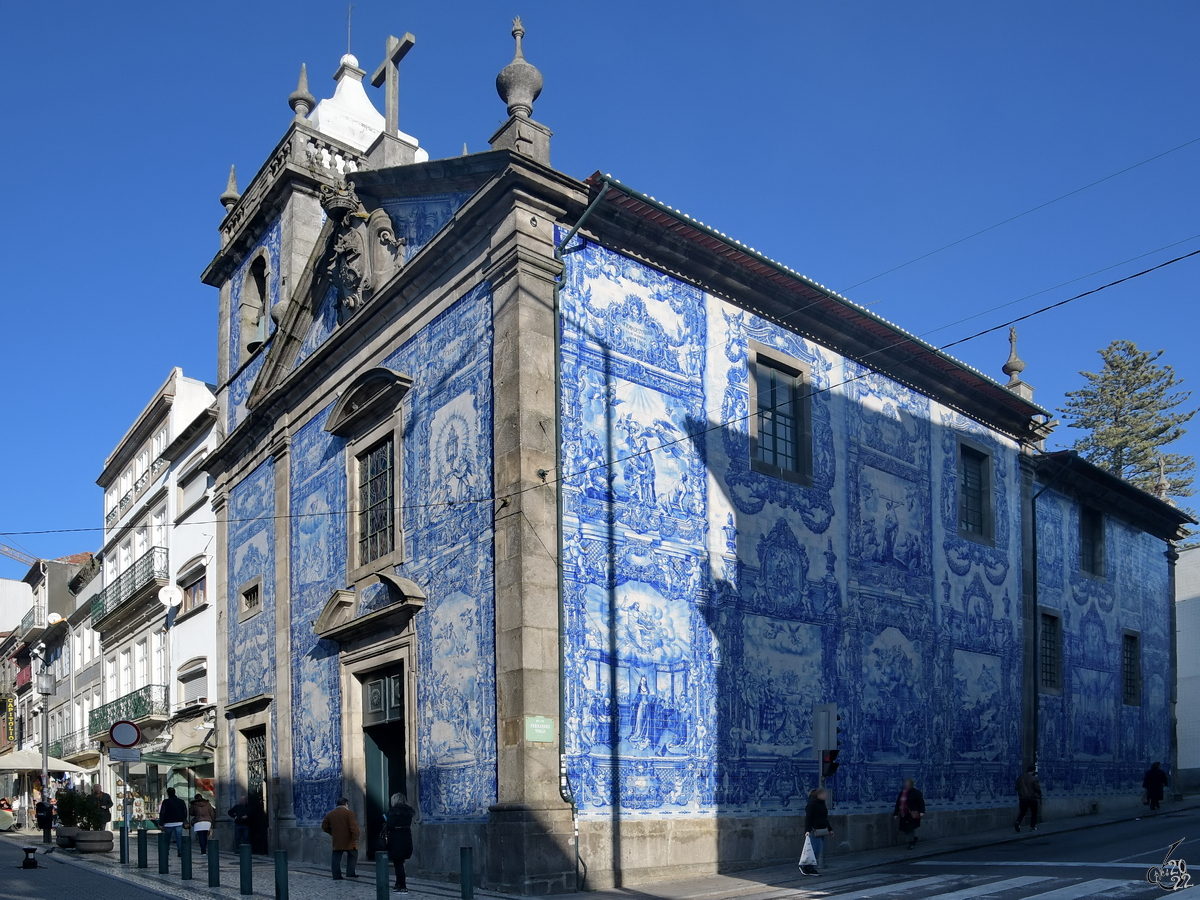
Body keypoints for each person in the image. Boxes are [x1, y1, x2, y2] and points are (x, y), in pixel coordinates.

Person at [384, 793, 416, 893]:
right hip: (406, 837)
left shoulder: (393, 811)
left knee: (398, 864)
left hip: (396, 839)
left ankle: (402, 885)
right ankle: (398, 883)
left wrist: (385, 820)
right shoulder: (408, 811)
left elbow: (390, 826)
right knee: (400, 863)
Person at [322, 797, 361, 880]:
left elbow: (324, 826)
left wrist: (332, 833)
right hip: (349, 840)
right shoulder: (349, 813)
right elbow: (353, 827)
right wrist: (356, 837)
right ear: (346, 804)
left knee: (336, 858)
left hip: (337, 840)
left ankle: (336, 875)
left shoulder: (330, 814)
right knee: (353, 854)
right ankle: (350, 872)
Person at [801, 787, 832, 876]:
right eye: (823, 794)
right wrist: (807, 830)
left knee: (817, 850)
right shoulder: (811, 805)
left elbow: (825, 818)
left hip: (822, 830)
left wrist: (830, 829)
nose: (826, 796)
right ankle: (807, 867)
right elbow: (808, 819)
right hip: (814, 831)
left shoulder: (822, 805)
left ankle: (809, 867)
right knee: (816, 849)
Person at [893, 778, 925, 849]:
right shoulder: (902, 793)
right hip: (903, 814)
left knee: (910, 828)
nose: (906, 785)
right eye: (905, 784)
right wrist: (895, 813)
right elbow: (898, 803)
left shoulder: (916, 793)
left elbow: (921, 803)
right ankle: (914, 837)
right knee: (903, 828)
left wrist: (922, 812)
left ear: (911, 785)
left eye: (908, 784)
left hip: (912, 814)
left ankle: (911, 843)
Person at [159, 788, 188, 855]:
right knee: (179, 838)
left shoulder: (166, 802)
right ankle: (180, 851)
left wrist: (161, 823)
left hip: (168, 823)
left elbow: (162, 812)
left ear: (167, 793)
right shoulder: (181, 801)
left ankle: (166, 851)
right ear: (175, 792)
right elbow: (185, 812)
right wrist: (183, 820)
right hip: (179, 822)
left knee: (167, 838)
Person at [1014, 765, 1042, 832]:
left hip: (1022, 798)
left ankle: (1018, 822)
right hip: (1032, 798)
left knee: (1022, 812)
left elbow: (1016, 788)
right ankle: (1032, 827)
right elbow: (1037, 788)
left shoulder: (1020, 778)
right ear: (1033, 771)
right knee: (1034, 813)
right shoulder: (1034, 778)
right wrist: (1039, 793)